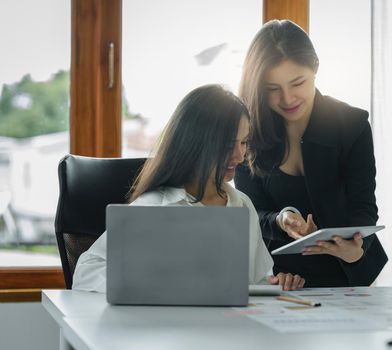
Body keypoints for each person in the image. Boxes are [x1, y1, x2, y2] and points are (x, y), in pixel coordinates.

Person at [72, 84, 305, 292]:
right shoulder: (154, 207)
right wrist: (150, 282)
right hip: (170, 332)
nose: (239, 155)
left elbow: (257, 281)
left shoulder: (242, 205)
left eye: (243, 143)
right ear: (195, 145)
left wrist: (277, 284)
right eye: (226, 145)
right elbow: (86, 271)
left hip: (229, 331)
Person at [235, 20, 388, 287]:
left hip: (349, 274)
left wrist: (357, 249)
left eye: (298, 83)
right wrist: (280, 220)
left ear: (315, 67)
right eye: (272, 89)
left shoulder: (352, 125)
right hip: (283, 277)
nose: (287, 99)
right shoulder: (248, 132)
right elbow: (251, 211)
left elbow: (363, 207)